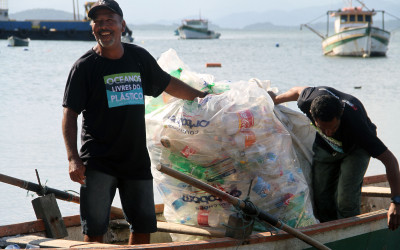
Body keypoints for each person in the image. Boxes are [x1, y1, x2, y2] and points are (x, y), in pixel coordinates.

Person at [62, 0, 207, 245]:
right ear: (92, 27)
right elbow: (69, 115)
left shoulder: (137, 57)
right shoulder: (84, 67)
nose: (104, 26)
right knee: (94, 228)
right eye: (98, 21)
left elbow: (168, 83)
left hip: (135, 160)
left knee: (142, 226)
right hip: (98, 161)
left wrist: (204, 98)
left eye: (110, 20)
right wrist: (72, 158)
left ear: (122, 25)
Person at [268, 86, 400, 230]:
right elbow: (298, 92)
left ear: (341, 114)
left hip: (356, 148)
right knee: (321, 197)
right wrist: (275, 99)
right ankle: (327, 231)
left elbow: (390, 160)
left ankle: (349, 232)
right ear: (312, 113)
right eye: (323, 128)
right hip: (326, 147)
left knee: (345, 200)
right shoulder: (308, 102)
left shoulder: (359, 128)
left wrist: (396, 202)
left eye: (333, 127)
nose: (329, 132)